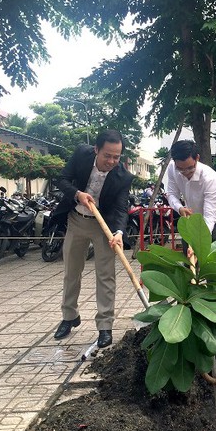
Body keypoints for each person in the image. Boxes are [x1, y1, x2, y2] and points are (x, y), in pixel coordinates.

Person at [52, 129, 134, 348]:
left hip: (103, 226)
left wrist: (118, 232)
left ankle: (105, 326)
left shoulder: (123, 176)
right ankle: (69, 316)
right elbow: (61, 179)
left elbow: (120, 208)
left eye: (116, 157)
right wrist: (77, 194)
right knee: (71, 271)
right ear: (96, 149)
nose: (112, 161)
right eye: (107, 155)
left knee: (106, 275)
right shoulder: (81, 154)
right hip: (76, 219)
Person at [166, 139, 216, 253]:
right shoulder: (172, 168)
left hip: (211, 221)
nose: (186, 172)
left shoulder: (210, 177)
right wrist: (180, 208)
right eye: (181, 169)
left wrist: (199, 243)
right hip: (190, 219)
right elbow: (172, 194)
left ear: (197, 158)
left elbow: (209, 216)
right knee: (188, 259)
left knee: (209, 261)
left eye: (189, 168)